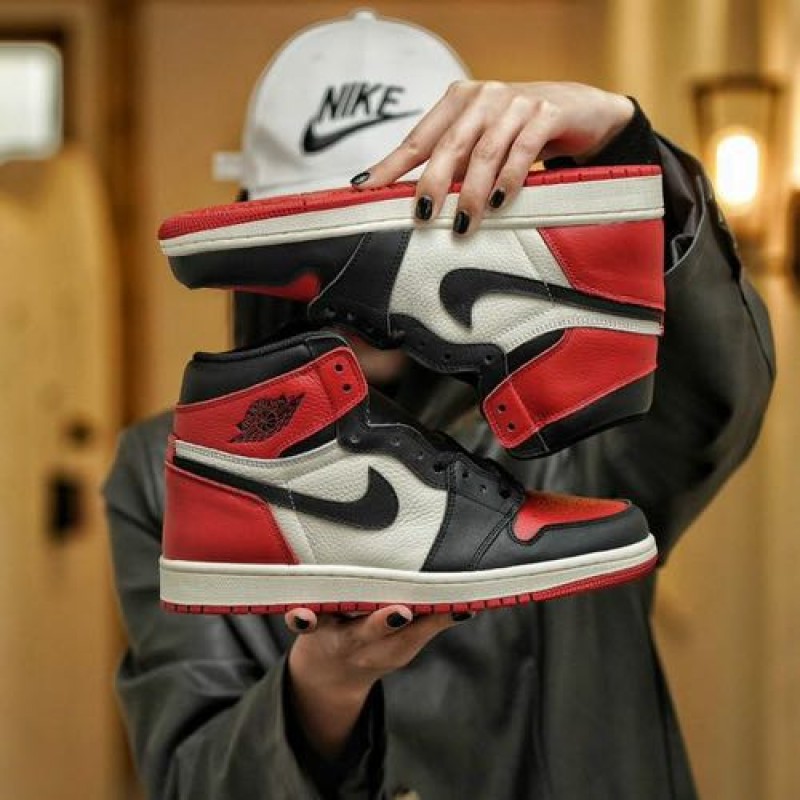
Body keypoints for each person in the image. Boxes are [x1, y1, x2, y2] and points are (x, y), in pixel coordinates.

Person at [104, 10, 775, 800]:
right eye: (332, 250)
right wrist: (323, 688)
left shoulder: (566, 424)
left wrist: (626, 151)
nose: (363, 293)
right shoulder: (165, 470)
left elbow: (715, 393)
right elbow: (191, 779)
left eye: (407, 233)